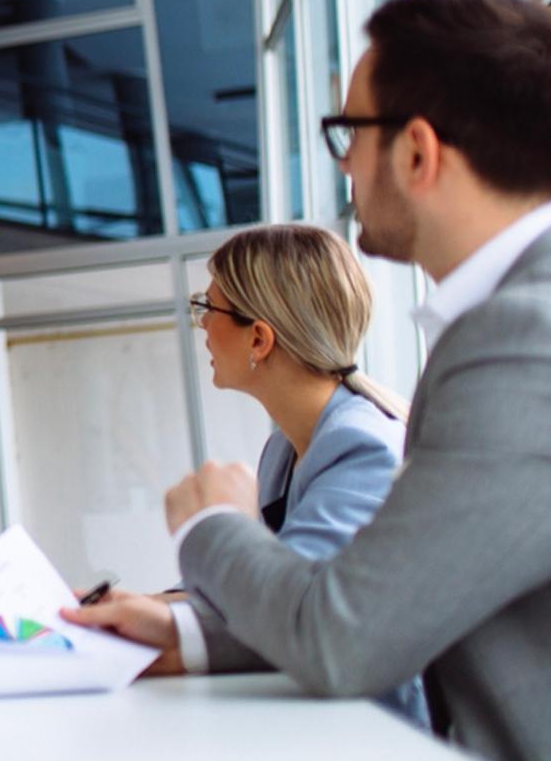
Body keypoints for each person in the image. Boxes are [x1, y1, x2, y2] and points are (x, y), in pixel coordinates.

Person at [121, 0, 551, 760]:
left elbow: (346, 636)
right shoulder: (550, 310)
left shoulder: (532, 342)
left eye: (350, 133)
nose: (344, 163)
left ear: (418, 152)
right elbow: (402, 604)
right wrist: (186, 629)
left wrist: (214, 525)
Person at [63, 223, 425, 726]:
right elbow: (263, 589)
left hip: (373, 728)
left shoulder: (360, 447)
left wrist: (201, 535)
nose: (201, 326)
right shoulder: (288, 444)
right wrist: (148, 605)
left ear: (258, 338)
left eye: (207, 309)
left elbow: (296, 611)